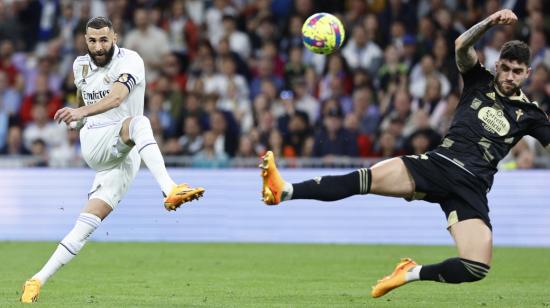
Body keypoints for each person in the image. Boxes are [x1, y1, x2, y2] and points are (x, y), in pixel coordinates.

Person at [260, 9, 550, 298]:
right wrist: (489, 22)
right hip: (438, 165)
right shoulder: (479, 80)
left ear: (528, 73)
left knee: (476, 267)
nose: (510, 76)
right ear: (497, 65)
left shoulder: (531, 115)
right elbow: (461, 45)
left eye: (517, 71)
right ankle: (283, 190)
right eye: (506, 68)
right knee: (363, 180)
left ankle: (410, 272)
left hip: (472, 188)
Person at [21, 17, 205, 303]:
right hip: (97, 141)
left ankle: (35, 281)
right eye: (92, 41)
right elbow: (85, 105)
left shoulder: (131, 61)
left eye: (104, 40)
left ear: (115, 37)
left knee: (86, 225)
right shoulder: (79, 65)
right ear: (85, 40)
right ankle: (170, 188)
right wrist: (77, 120)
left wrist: (78, 114)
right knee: (140, 123)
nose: (98, 46)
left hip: (124, 154)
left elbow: (118, 97)